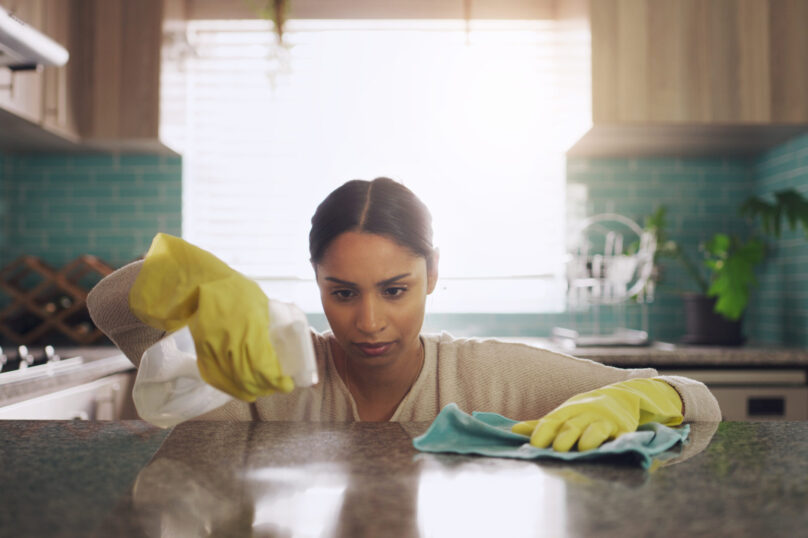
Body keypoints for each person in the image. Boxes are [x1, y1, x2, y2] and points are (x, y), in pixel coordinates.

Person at [88, 177, 720, 451]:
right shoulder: (265, 377)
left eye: (395, 290)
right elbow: (110, 306)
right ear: (315, 282)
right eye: (342, 293)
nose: (368, 322)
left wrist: (632, 401)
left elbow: (698, 399)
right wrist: (197, 281)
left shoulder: (488, 377)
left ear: (433, 275)